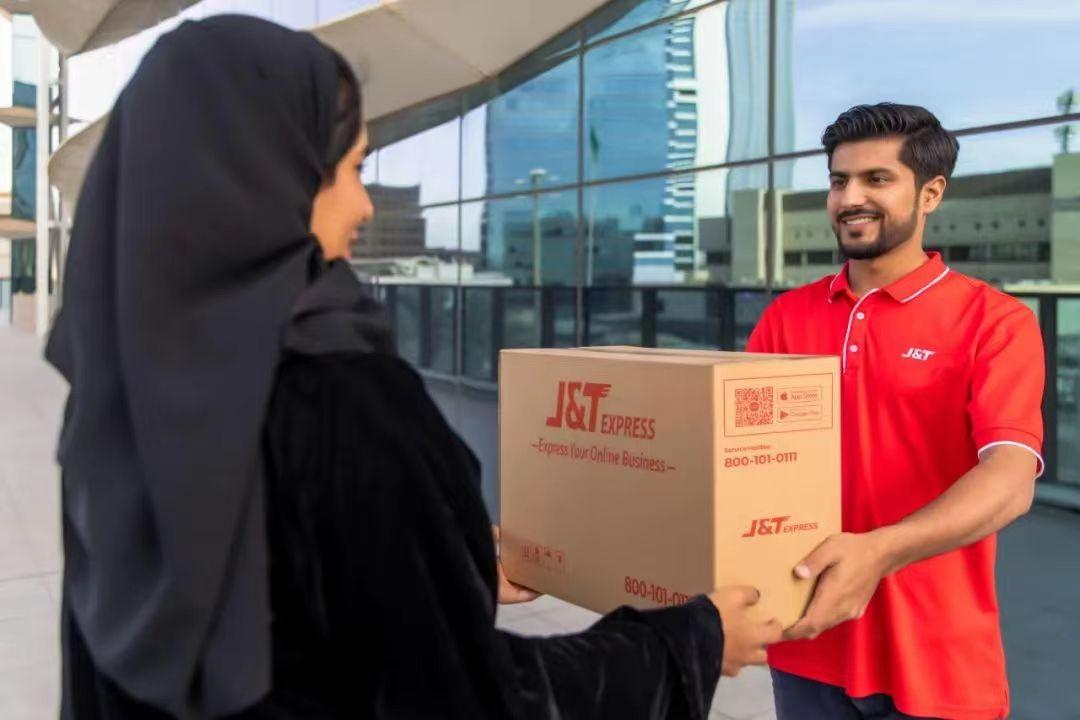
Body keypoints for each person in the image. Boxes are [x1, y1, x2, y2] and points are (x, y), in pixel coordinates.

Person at [47, 16, 781, 720]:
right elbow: (466, 699)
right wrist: (688, 642)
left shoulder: (115, 401)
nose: (364, 205)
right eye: (351, 167)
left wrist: (447, 564)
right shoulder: (342, 402)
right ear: (267, 178)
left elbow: (280, 610)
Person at [747, 103, 1044, 719]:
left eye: (876, 179)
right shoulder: (784, 318)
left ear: (931, 193)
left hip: (937, 658)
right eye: (839, 180)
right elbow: (742, 467)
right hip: (806, 639)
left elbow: (1011, 478)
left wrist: (880, 550)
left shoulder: (996, 323)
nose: (850, 197)